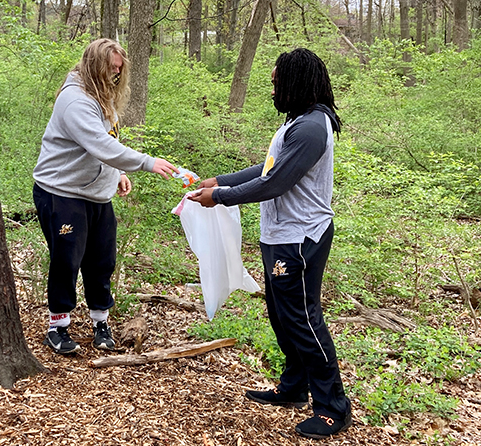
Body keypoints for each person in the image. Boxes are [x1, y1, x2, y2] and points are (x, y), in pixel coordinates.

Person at [188, 48, 352, 439]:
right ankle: (294, 388)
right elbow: (268, 169)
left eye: (277, 81)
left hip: (300, 238)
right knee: (282, 316)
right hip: (280, 236)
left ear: (296, 82)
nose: (272, 87)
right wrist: (220, 180)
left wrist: (221, 197)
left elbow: (276, 183)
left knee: (302, 318)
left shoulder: (312, 127)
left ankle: (333, 408)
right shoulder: (298, 122)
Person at [33, 38, 178, 355]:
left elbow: (106, 143)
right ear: (93, 65)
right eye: (110, 68)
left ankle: (100, 323)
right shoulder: (75, 100)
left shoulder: (102, 97)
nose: (114, 75)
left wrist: (118, 174)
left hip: (96, 196)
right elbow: (99, 144)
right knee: (66, 260)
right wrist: (145, 163)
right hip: (62, 194)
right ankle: (58, 327)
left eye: (118, 70)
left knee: (102, 261)